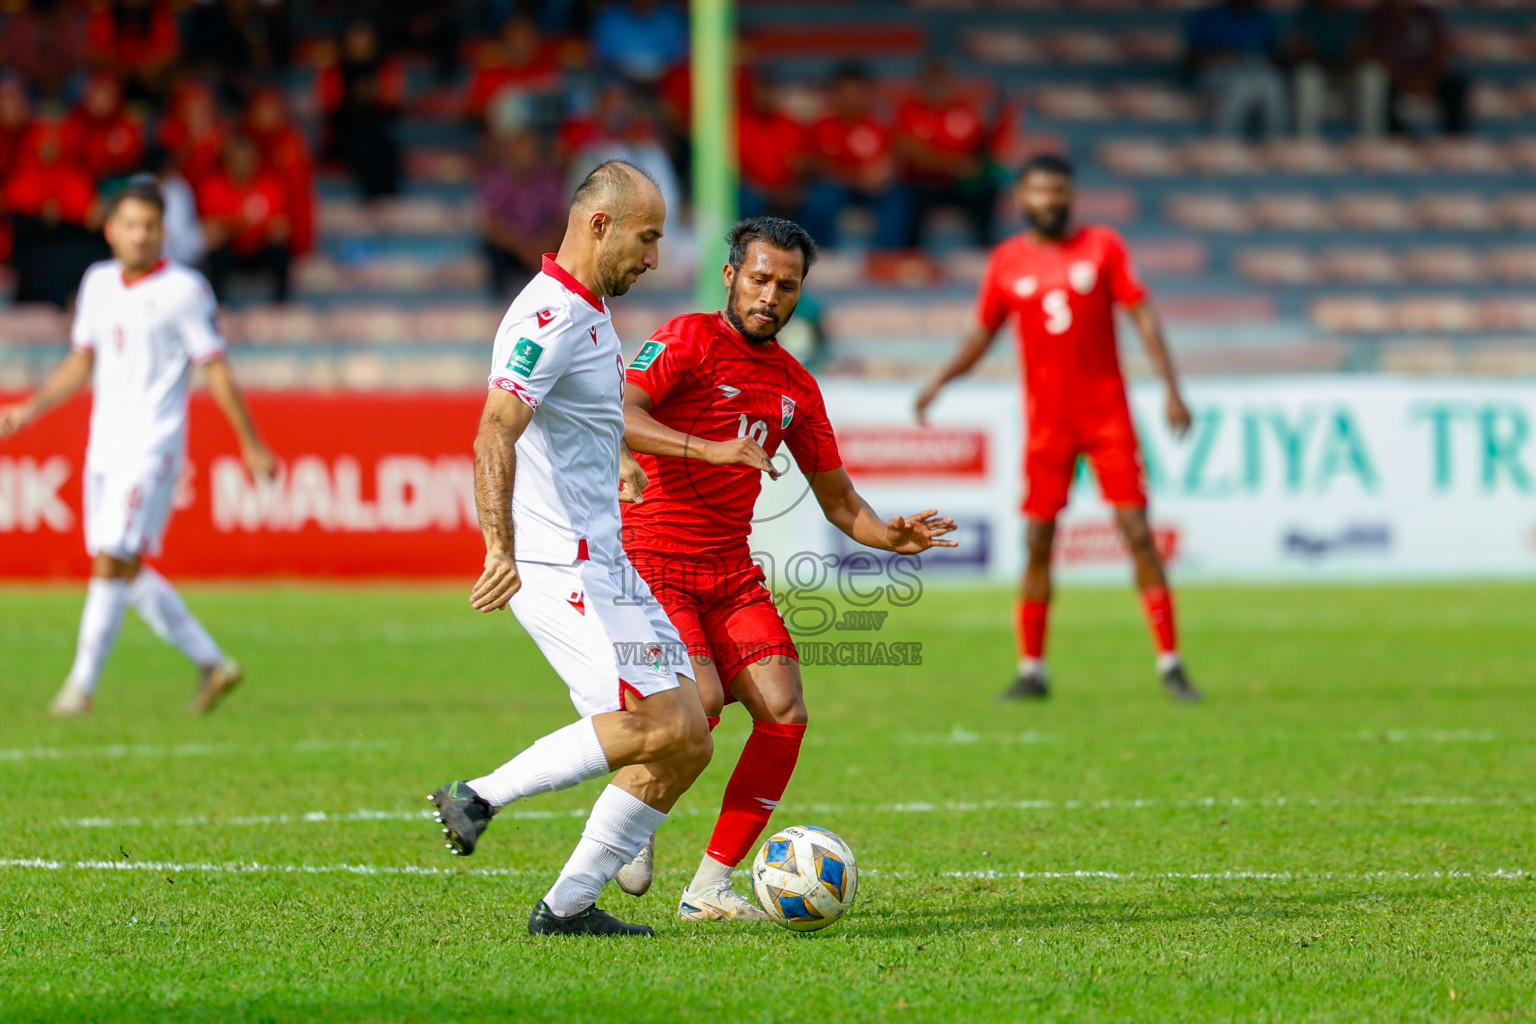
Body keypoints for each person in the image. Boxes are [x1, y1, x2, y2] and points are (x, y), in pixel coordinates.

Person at [610, 216, 957, 920]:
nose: (771, 295)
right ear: (732, 274)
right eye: (760, 279)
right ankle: (631, 812)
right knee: (699, 707)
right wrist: (710, 450)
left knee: (785, 711)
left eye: (787, 285)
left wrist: (891, 537)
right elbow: (620, 412)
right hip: (651, 563)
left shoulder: (796, 384)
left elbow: (838, 499)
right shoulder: (685, 339)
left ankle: (708, 887)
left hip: (729, 572)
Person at [427, 161, 714, 938]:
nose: (653, 257)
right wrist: (500, 547)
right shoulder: (547, 316)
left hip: (607, 559)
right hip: (562, 566)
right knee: (657, 726)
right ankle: (478, 794)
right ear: (600, 225)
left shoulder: (589, 314)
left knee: (691, 736)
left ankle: (568, 909)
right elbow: (495, 428)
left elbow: (576, 421)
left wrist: (613, 463)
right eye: (647, 237)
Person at [915, 155, 1200, 703]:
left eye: (1058, 190)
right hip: (1048, 424)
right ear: (1021, 198)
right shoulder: (1006, 262)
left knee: (1137, 531)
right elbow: (981, 336)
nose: (1048, 200)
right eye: (1038, 190)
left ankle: (1171, 664)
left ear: (1070, 196)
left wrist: (1171, 388)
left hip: (1106, 415)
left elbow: (1142, 314)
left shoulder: (1103, 246)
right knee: (1038, 540)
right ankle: (1031, 671)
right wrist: (939, 382)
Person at [0, 180, 274, 716]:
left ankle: (79, 689)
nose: (140, 235)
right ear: (111, 230)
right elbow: (82, 362)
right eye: (130, 225)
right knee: (121, 565)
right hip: (104, 444)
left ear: (162, 233)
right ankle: (212, 662)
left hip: (153, 444)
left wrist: (251, 443)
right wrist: (29, 408)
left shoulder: (185, 289)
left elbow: (213, 367)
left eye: (149, 226)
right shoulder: (98, 283)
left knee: (112, 558)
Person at [803, 62, 909, 251]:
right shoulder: (822, 126)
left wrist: (882, 176)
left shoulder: (879, 126)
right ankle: (819, 254)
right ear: (835, 94)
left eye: (856, 92)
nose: (851, 99)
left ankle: (886, 256)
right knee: (820, 198)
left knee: (898, 198)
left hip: (872, 190)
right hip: (836, 187)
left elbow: (890, 163)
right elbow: (812, 164)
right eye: (845, 93)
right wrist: (851, 176)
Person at [896, 59, 999, 248]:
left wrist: (938, 158)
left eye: (942, 82)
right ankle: (910, 252)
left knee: (987, 188)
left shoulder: (964, 111)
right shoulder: (910, 111)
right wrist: (954, 163)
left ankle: (984, 248)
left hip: (958, 184)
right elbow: (913, 156)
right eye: (932, 83)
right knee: (911, 196)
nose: (937, 88)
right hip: (923, 183)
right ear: (923, 84)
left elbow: (978, 154)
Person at [198, 134, 291, 304]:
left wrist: (234, 225)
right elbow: (210, 233)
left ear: (257, 161)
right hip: (231, 251)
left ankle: (280, 305)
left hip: (259, 249)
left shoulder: (270, 185)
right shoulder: (213, 187)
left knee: (281, 251)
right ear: (227, 162)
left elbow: (281, 229)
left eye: (248, 161)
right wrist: (245, 224)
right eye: (237, 161)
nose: (243, 166)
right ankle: (219, 306)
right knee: (216, 253)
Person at [479, 128, 566, 298]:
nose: (524, 156)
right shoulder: (497, 179)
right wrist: (524, 248)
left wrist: (543, 245)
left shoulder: (548, 178)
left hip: (543, 244)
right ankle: (500, 301)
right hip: (513, 247)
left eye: (529, 150)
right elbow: (492, 224)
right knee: (492, 250)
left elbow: (560, 219)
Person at [1183, 0, 1287, 138]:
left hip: (1255, 71)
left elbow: (1276, 55)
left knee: (1273, 85)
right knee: (1240, 87)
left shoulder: (1261, 18)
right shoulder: (1211, 16)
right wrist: (1221, 53)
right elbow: (1191, 58)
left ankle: (1276, 143)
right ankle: (1226, 143)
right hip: (1218, 71)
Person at [1366, 0, 1468, 136]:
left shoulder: (1426, 15)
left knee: (1456, 86)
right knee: (1380, 89)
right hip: (1396, 78)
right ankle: (1399, 138)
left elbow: (1439, 50)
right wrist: (1404, 81)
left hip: (1426, 76)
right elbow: (1378, 54)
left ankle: (1454, 138)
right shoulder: (1379, 17)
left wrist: (1427, 79)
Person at [1288, 0, 1386, 137]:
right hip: (1320, 71)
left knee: (1372, 73)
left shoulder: (1352, 16)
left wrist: (1348, 68)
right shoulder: (1306, 15)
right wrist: (1329, 68)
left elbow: (1361, 49)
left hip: (1348, 72)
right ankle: (1307, 140)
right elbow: (1300, 51)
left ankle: (1371, 137)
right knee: (1307, 75)